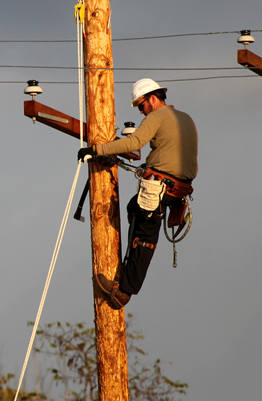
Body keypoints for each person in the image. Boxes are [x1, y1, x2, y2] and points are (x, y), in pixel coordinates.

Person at [77, 79, 198, 309]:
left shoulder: (157, 116)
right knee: (134, 208)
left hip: (159, 188)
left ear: (152, 99)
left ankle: (123, 291)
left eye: (141, 106)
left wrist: (95, 150)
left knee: (144, 237)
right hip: (177, 190)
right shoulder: (185, 118)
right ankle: (128, 265)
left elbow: (134, 142)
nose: (142, 112)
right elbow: (169, 152)